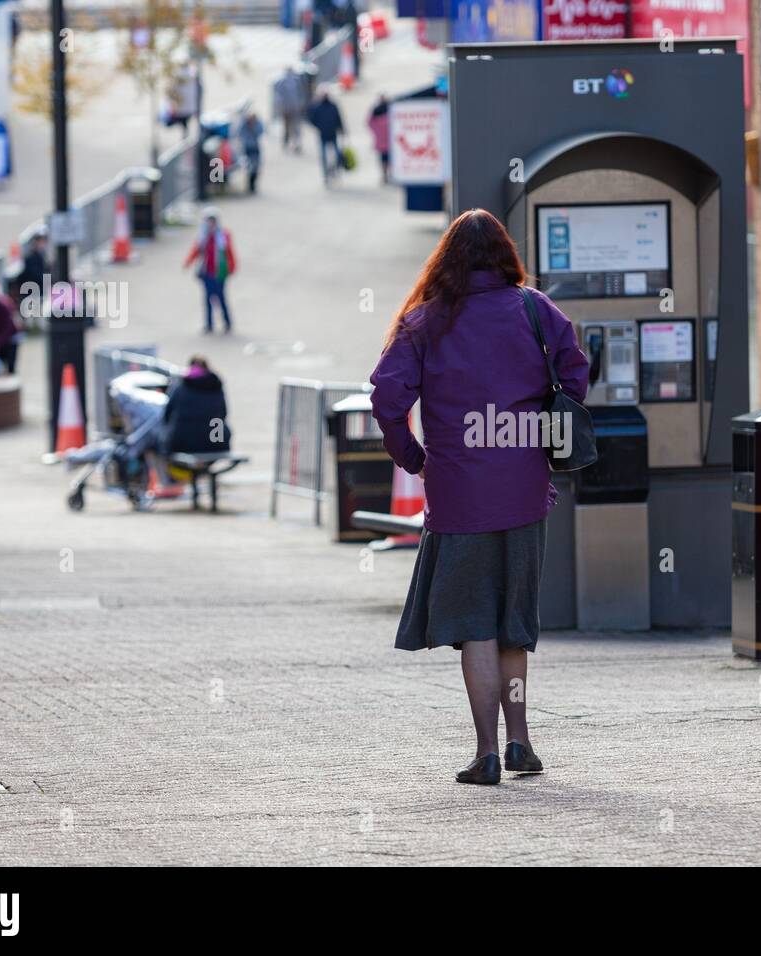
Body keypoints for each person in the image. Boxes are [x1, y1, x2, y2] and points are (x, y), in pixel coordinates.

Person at [370, 209, 590, 786]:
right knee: (514, 622)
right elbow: (576, 369)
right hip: (523, 487)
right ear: (504, 255)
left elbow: (387, 397)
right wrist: (536, 423)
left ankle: (487, 750)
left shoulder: (425, 322)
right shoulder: (534, 309)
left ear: (445, 259)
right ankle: (521, 742)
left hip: (459, 493)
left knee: (475, 625)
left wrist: (414, 457)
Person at [161, 356, 232, 454]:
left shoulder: (180, 387)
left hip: (182, 444)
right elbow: (224, 413)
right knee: (219, 424)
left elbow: (167, 415)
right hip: (217, 444)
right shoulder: (216, 387)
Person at [182, 208, 236, 334]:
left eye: (212, 221)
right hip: (207, 272)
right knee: (207, 299)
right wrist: (188, 262)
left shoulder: (223, 236)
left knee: (221, 298)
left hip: (220, 272)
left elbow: (229, 253)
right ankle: (209, 324)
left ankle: (227, 322)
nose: (210, 224)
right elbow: (196, 251)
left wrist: (232, 267)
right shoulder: (203, 236)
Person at [307, 87, 345, 186]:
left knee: (337, 154)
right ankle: (325, 174)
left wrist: (341, 129)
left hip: (333, 133)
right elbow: (310, 118)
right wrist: (318, 126)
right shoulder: (316, 107)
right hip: (323, 134)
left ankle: (335, 171)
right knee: (324, 156)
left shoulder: (333, 106)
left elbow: (339, 118)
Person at [271, 66, 309, 154]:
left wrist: (301, 105)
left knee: (294, 127)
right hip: (288, 109)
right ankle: (287, 142)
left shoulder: (295, 81)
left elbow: (302, 94)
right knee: (288, 127)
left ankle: (295, 144)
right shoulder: (283, 82)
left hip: (293, 109)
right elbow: (278, 97)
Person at [15, 228, 51, 319]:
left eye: (44, 241)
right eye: (40, 241)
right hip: (31, 292)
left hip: (39, 292)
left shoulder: (42, 255)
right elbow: (35, 275)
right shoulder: (30, 257)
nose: (43, 244)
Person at [238, 111, 264, 193]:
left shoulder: (258, 124)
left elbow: (261, 131)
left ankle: (253, 185)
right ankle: (249, 185)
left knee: (256, 166)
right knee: (248, 167)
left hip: (255, 148)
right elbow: (240, 133)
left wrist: (253, 126)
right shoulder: (244, 125)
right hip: (247, 148)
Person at [367, 94, 391, 184]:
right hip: (389, 140)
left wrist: (377, 131)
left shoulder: (375, 110)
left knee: (383, 159)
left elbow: (369, 122)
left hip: (381, 140)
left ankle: (384, 175)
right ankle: (388, 174)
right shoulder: (391, 108)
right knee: (390, 159)